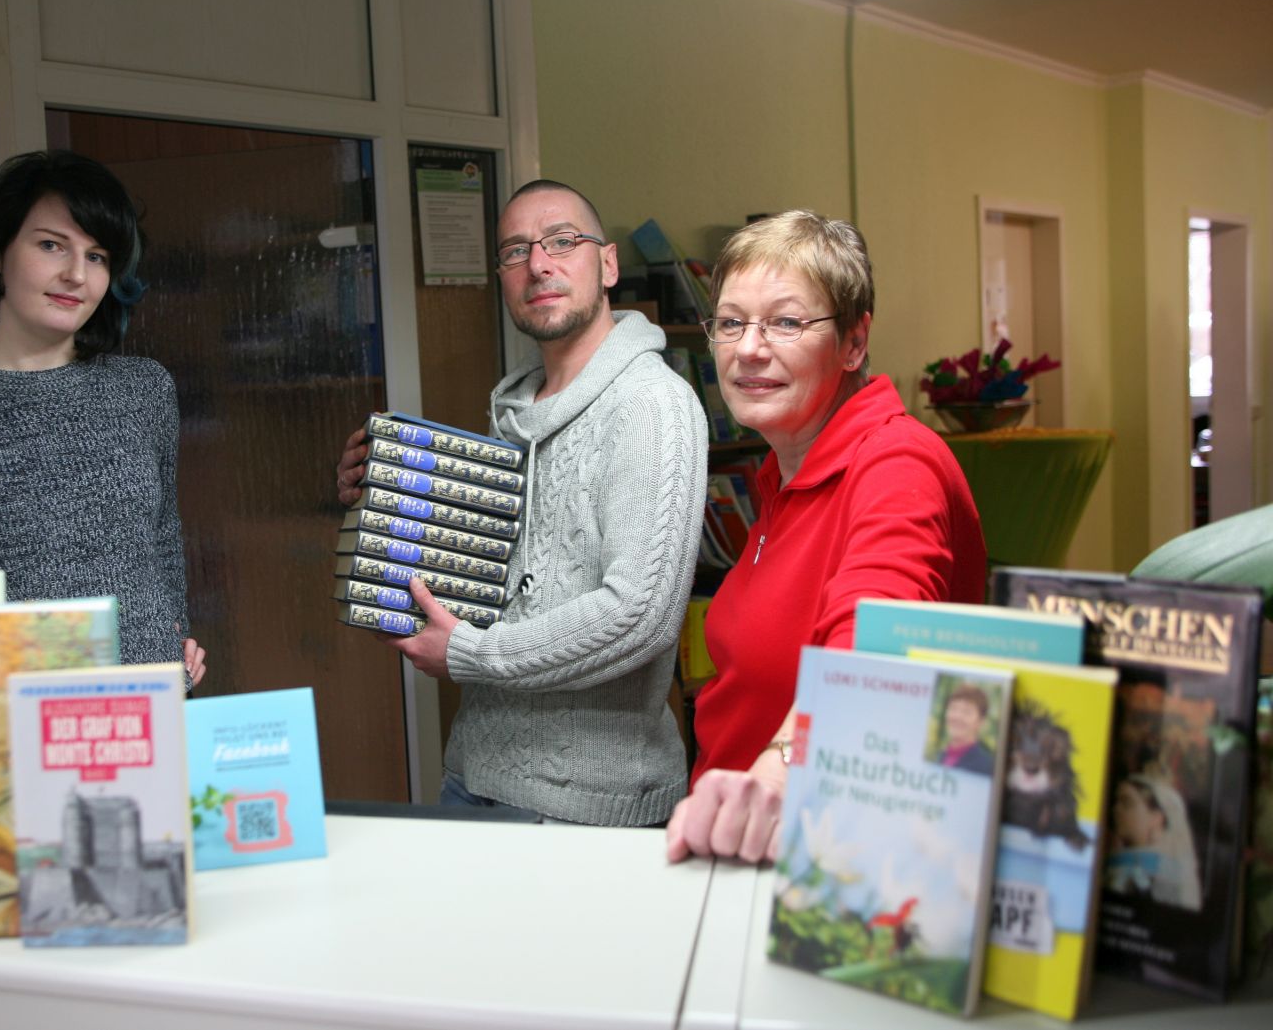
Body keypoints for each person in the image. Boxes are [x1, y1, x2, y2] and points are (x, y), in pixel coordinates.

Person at [336, 180, 707, 826]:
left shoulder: (653, 405)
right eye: (515, 251)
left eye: (563, 241)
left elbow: (638, 614)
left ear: (609, 264)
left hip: (588, 807)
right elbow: (494, 589)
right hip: (474, 776)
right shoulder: (511, 415)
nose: (539, 263)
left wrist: (471, 655)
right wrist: (384, 507)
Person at [666, 210, 986, 863]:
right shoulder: (783, 475)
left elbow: (881, 641)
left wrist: (784, 765)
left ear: (853, 341)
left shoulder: (897, 461)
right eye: (730, 322)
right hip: (735, 850)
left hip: (824, 860)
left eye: (786, 321)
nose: (749, 348)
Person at [0, 151, 205, 689]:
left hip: (151, 705)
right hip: (8, 720)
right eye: (51, 245)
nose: (76, 274)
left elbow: (162, 533)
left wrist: (174, 635)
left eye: (97, 256)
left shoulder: (143, 388)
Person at [1106, 774, 1203, 910]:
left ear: (1157, 818)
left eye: (1127, 803)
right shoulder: (1109, 859)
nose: (1116, 810)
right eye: (1116, 802)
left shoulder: (1166, 874)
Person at [937, 685, 995, 775]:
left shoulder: (987, 766)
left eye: (967, 712)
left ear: (981, 722)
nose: (957, 716)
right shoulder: (940, 756)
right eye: (953, 708)